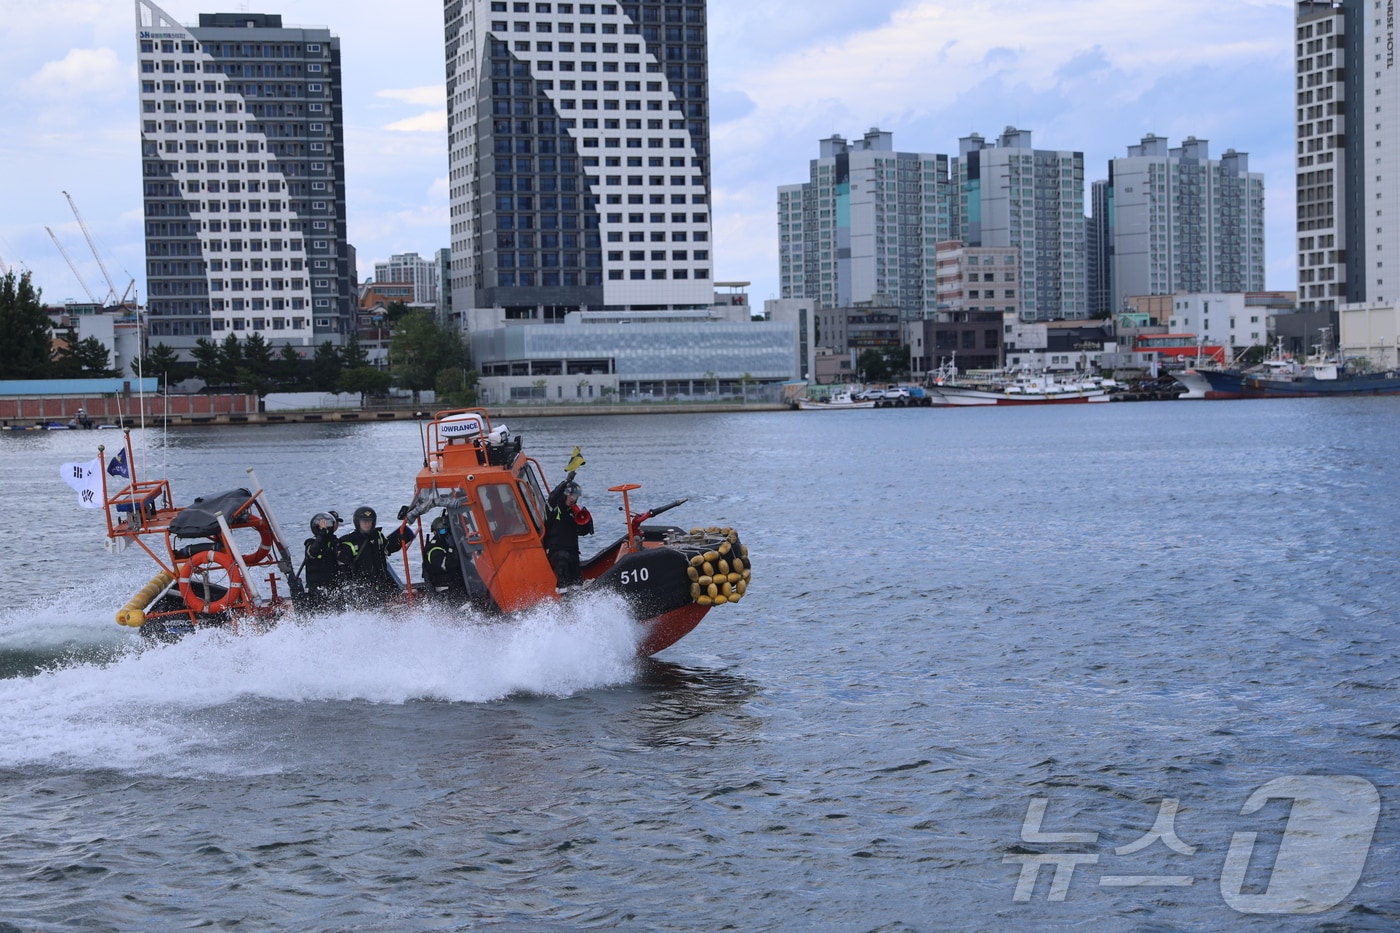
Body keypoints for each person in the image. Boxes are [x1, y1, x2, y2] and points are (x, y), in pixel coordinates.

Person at [338, 505, 414, 605]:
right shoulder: (349, 541)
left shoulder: (378, 536)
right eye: (363, 521)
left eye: (369, 521)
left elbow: (387, 548)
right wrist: (350, 587)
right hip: (362, 587)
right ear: (357, 522)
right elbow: (342, 567)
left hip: (382, 582)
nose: (367, 524)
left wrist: (400, 539)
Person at [543, 473, 594, 590]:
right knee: (563, 562)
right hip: (556, 550)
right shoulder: (554, 509)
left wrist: (586, 522)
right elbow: (552, 498)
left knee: (575, 572)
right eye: (571, 494)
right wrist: (566, 481)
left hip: (572, 550)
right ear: (564, 494)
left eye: (575, 496)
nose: (573, 498)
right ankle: (563, 598)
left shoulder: (574, 513)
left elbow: (583, 532)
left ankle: (577, 600)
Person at [422, 513, 467, 599]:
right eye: (442, 532)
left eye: (447, 531)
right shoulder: (434, 550)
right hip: (445, 592)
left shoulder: (449, 545)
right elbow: (449, 565)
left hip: (457, 587)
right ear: (435, 532)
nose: (445, 534)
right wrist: (451, 547)